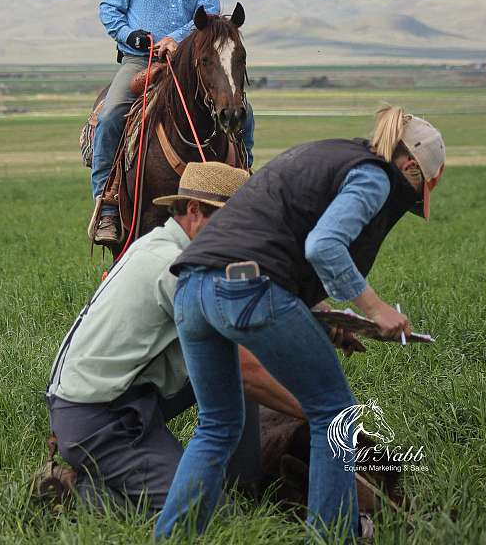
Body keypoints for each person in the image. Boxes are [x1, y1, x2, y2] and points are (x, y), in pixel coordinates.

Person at [156, 104, 446, 542]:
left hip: (193, 291)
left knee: (217, 426)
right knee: (337, 416)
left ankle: (172, 538)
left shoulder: (326, 154)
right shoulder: (372, 175)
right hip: (245, 289)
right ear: (408, 165)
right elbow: (324, 246)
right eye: (418, 187)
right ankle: (333, 537)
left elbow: (277, 244)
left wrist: (325, 319)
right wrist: (375, 308)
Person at [48, 161, 301, 513]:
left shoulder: (164, 245)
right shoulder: (176, 267)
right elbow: (245, 367)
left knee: (230, 368)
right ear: (195, 211)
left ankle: (242, 487)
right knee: (207, 516)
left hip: (130, 398)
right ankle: (77, 492)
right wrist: (315, 410)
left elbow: (246, 328)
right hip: (99, 419)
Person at [89, 0, 254, 246]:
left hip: (189, 61)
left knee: (244, 113)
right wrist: (130, 34)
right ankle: (106, 200)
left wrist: (175, 39)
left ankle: (243, 182)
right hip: (140, 59)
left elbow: (207, 16)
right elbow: (109, 8)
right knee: (111, 115)